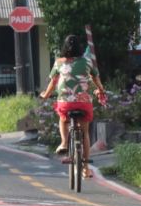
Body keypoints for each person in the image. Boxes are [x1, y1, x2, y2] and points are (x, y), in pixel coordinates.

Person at [40, 34, 106, 179]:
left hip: (65, 102)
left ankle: (63, 143)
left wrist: (45, 95)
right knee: (85, 133)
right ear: (80, 48)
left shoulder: (58, 63)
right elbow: (96, 79)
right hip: (83, 103)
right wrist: (101, 90)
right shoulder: (87, 61)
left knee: (63, 119)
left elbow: (53, 83)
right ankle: (86, 168)